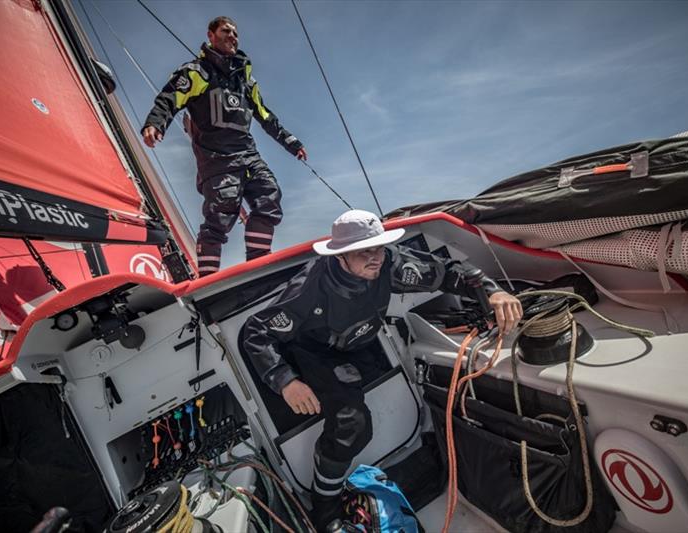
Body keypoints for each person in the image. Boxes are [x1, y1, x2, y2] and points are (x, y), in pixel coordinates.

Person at [243, 209, 523, 530]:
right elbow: (256, 332)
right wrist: (285, 381)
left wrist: (492, 290)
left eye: (378, 247)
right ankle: (324, 508)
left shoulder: (390, 263)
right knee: (353, 424)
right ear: (341, 257)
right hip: (317, 351)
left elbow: (447, 272)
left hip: (363, 339)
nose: (376, 257)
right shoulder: (311, 288)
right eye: (365, 251)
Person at [142, 16, 307, 275]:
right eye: (226, 31)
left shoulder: (245, 81)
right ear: (211, 35)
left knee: (269, 195)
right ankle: (208, 278)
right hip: (216, 159)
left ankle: (258, 264)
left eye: (235, 33)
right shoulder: (197, 72)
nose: (232, 37)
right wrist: (155, 123)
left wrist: (291, 142)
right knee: (222, 214)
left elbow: (265, 115)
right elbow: (169, 98)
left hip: (248, 153)